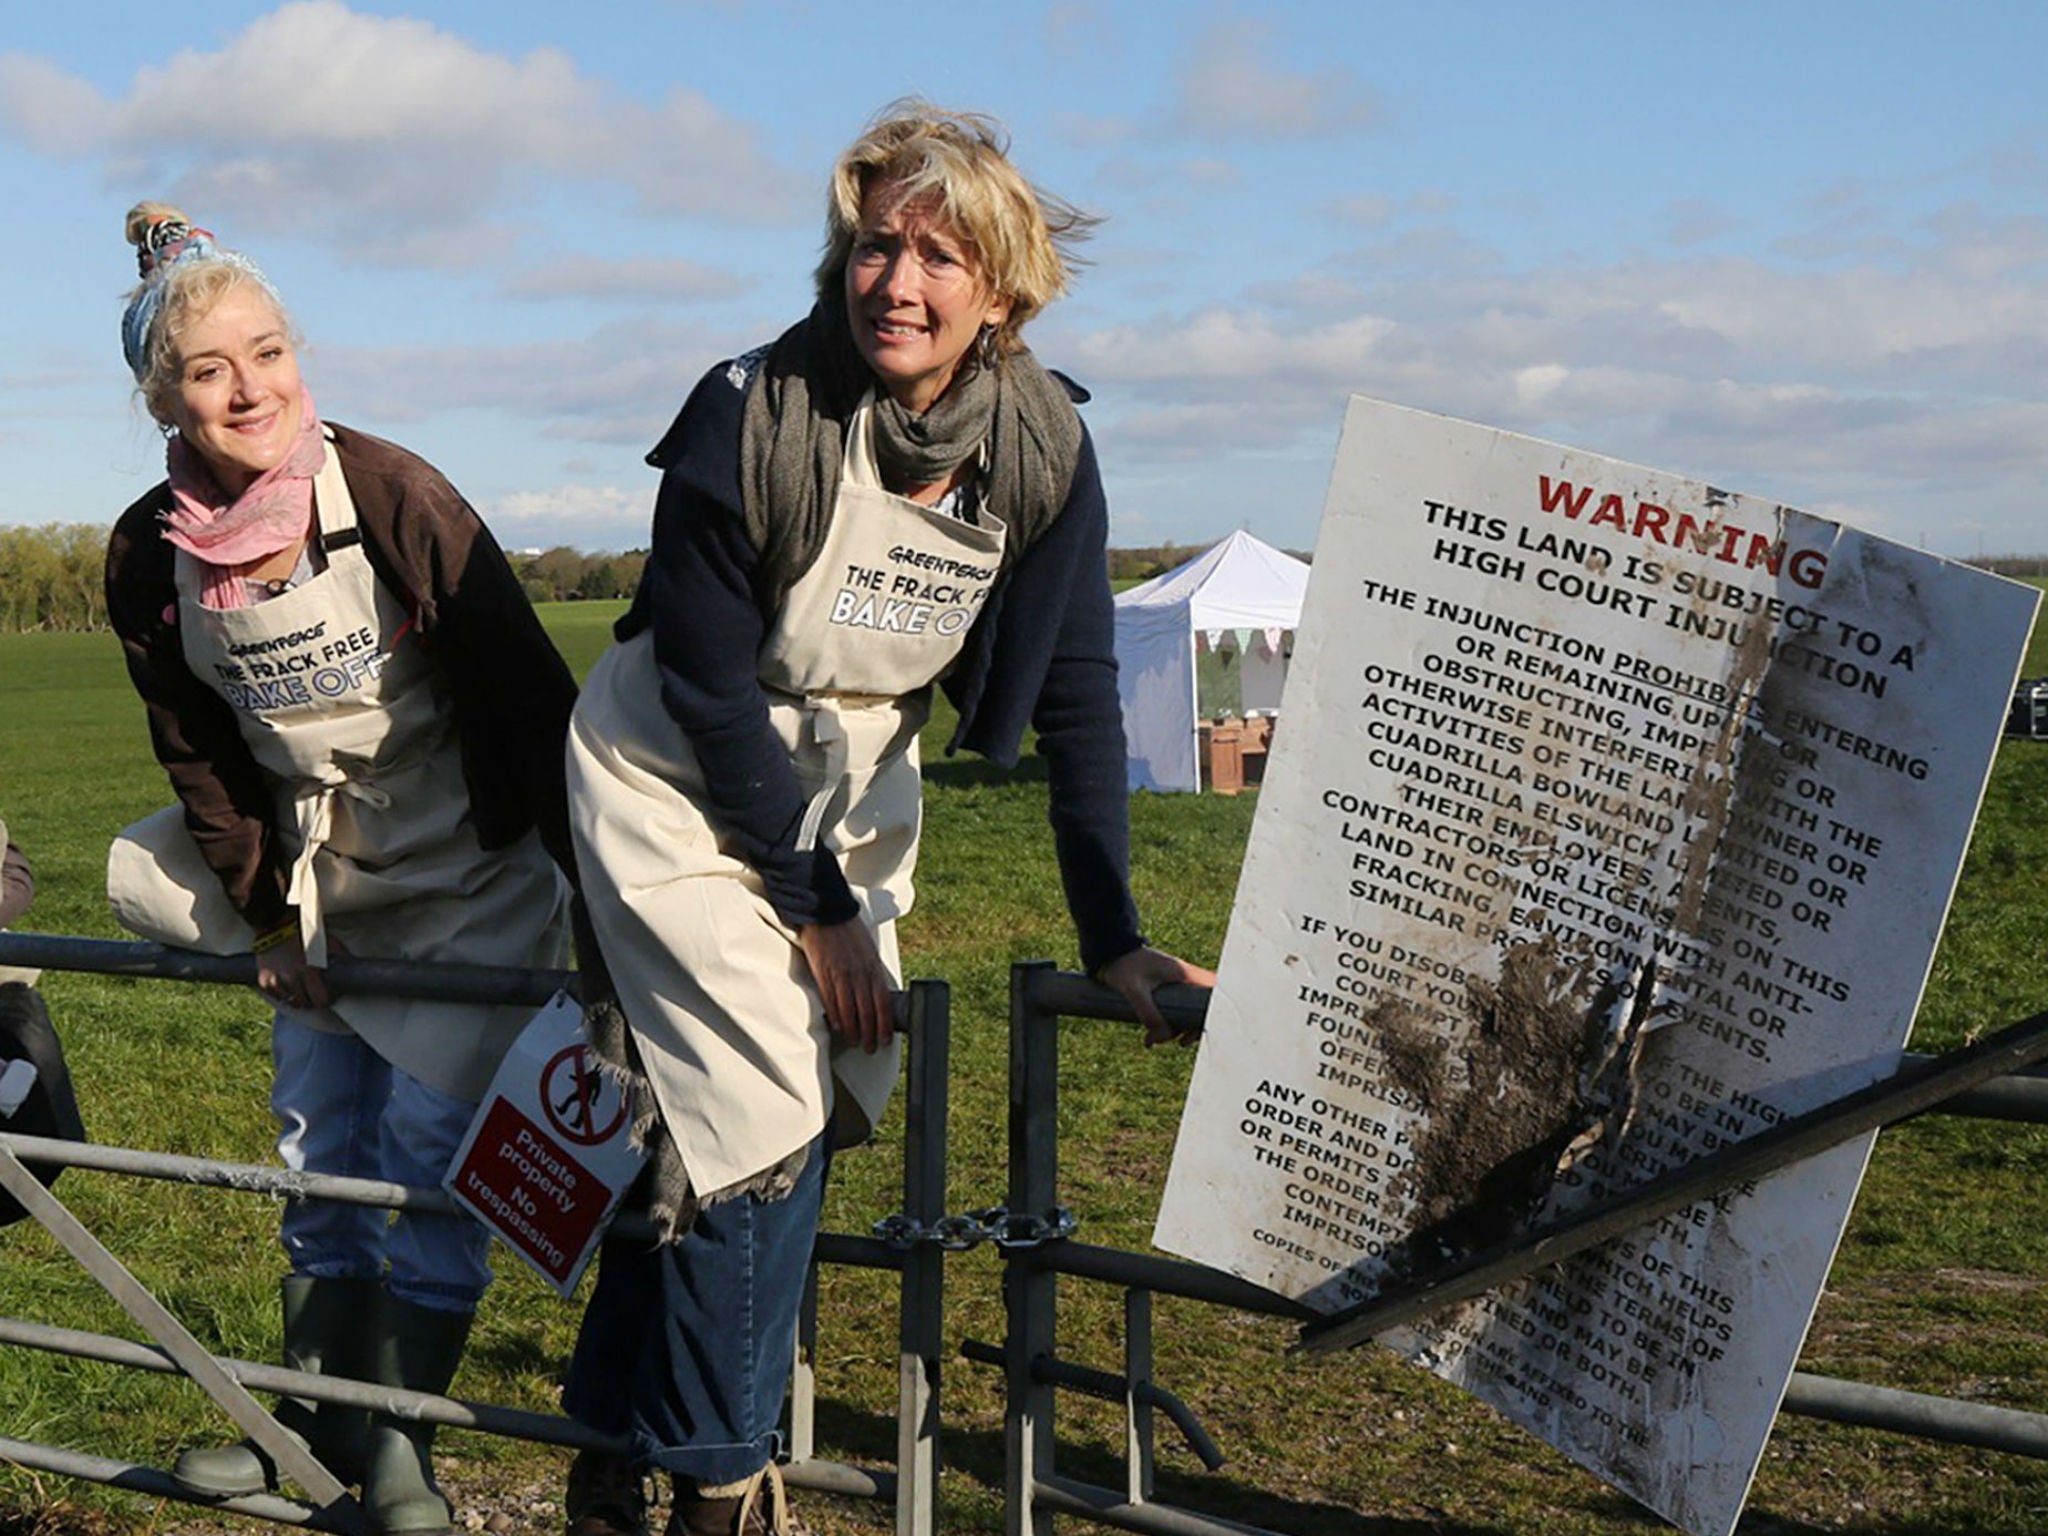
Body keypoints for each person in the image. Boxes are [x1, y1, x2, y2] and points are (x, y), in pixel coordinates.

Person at [558, 103, 1215, 1536]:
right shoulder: (754, 410)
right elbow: (709, 688)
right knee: (764, 1108)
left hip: (849, 780)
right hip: (672, 771)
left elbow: (1082, 693)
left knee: (765, 1102)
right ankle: (724, 1483)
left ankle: (607, 1451)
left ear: (1004, 287)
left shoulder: (1041, 449)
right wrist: (818, 908)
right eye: (874, 246)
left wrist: (1118, 938)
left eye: (938, 254)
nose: (897, 284)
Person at [104, 204, 578, 1536]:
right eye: (209, 370)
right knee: (319, 1148)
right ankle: (308, 1421)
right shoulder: (150, 554)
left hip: (470, 870)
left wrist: (596, 904)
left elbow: (535, 707)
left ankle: (403, 1447)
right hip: (321, 880)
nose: (249, 388)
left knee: (436, 1156)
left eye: (267, 352)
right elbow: (198, 751)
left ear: (299, 356)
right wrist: (265, 919)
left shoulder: (391, 495)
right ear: (166, 402)